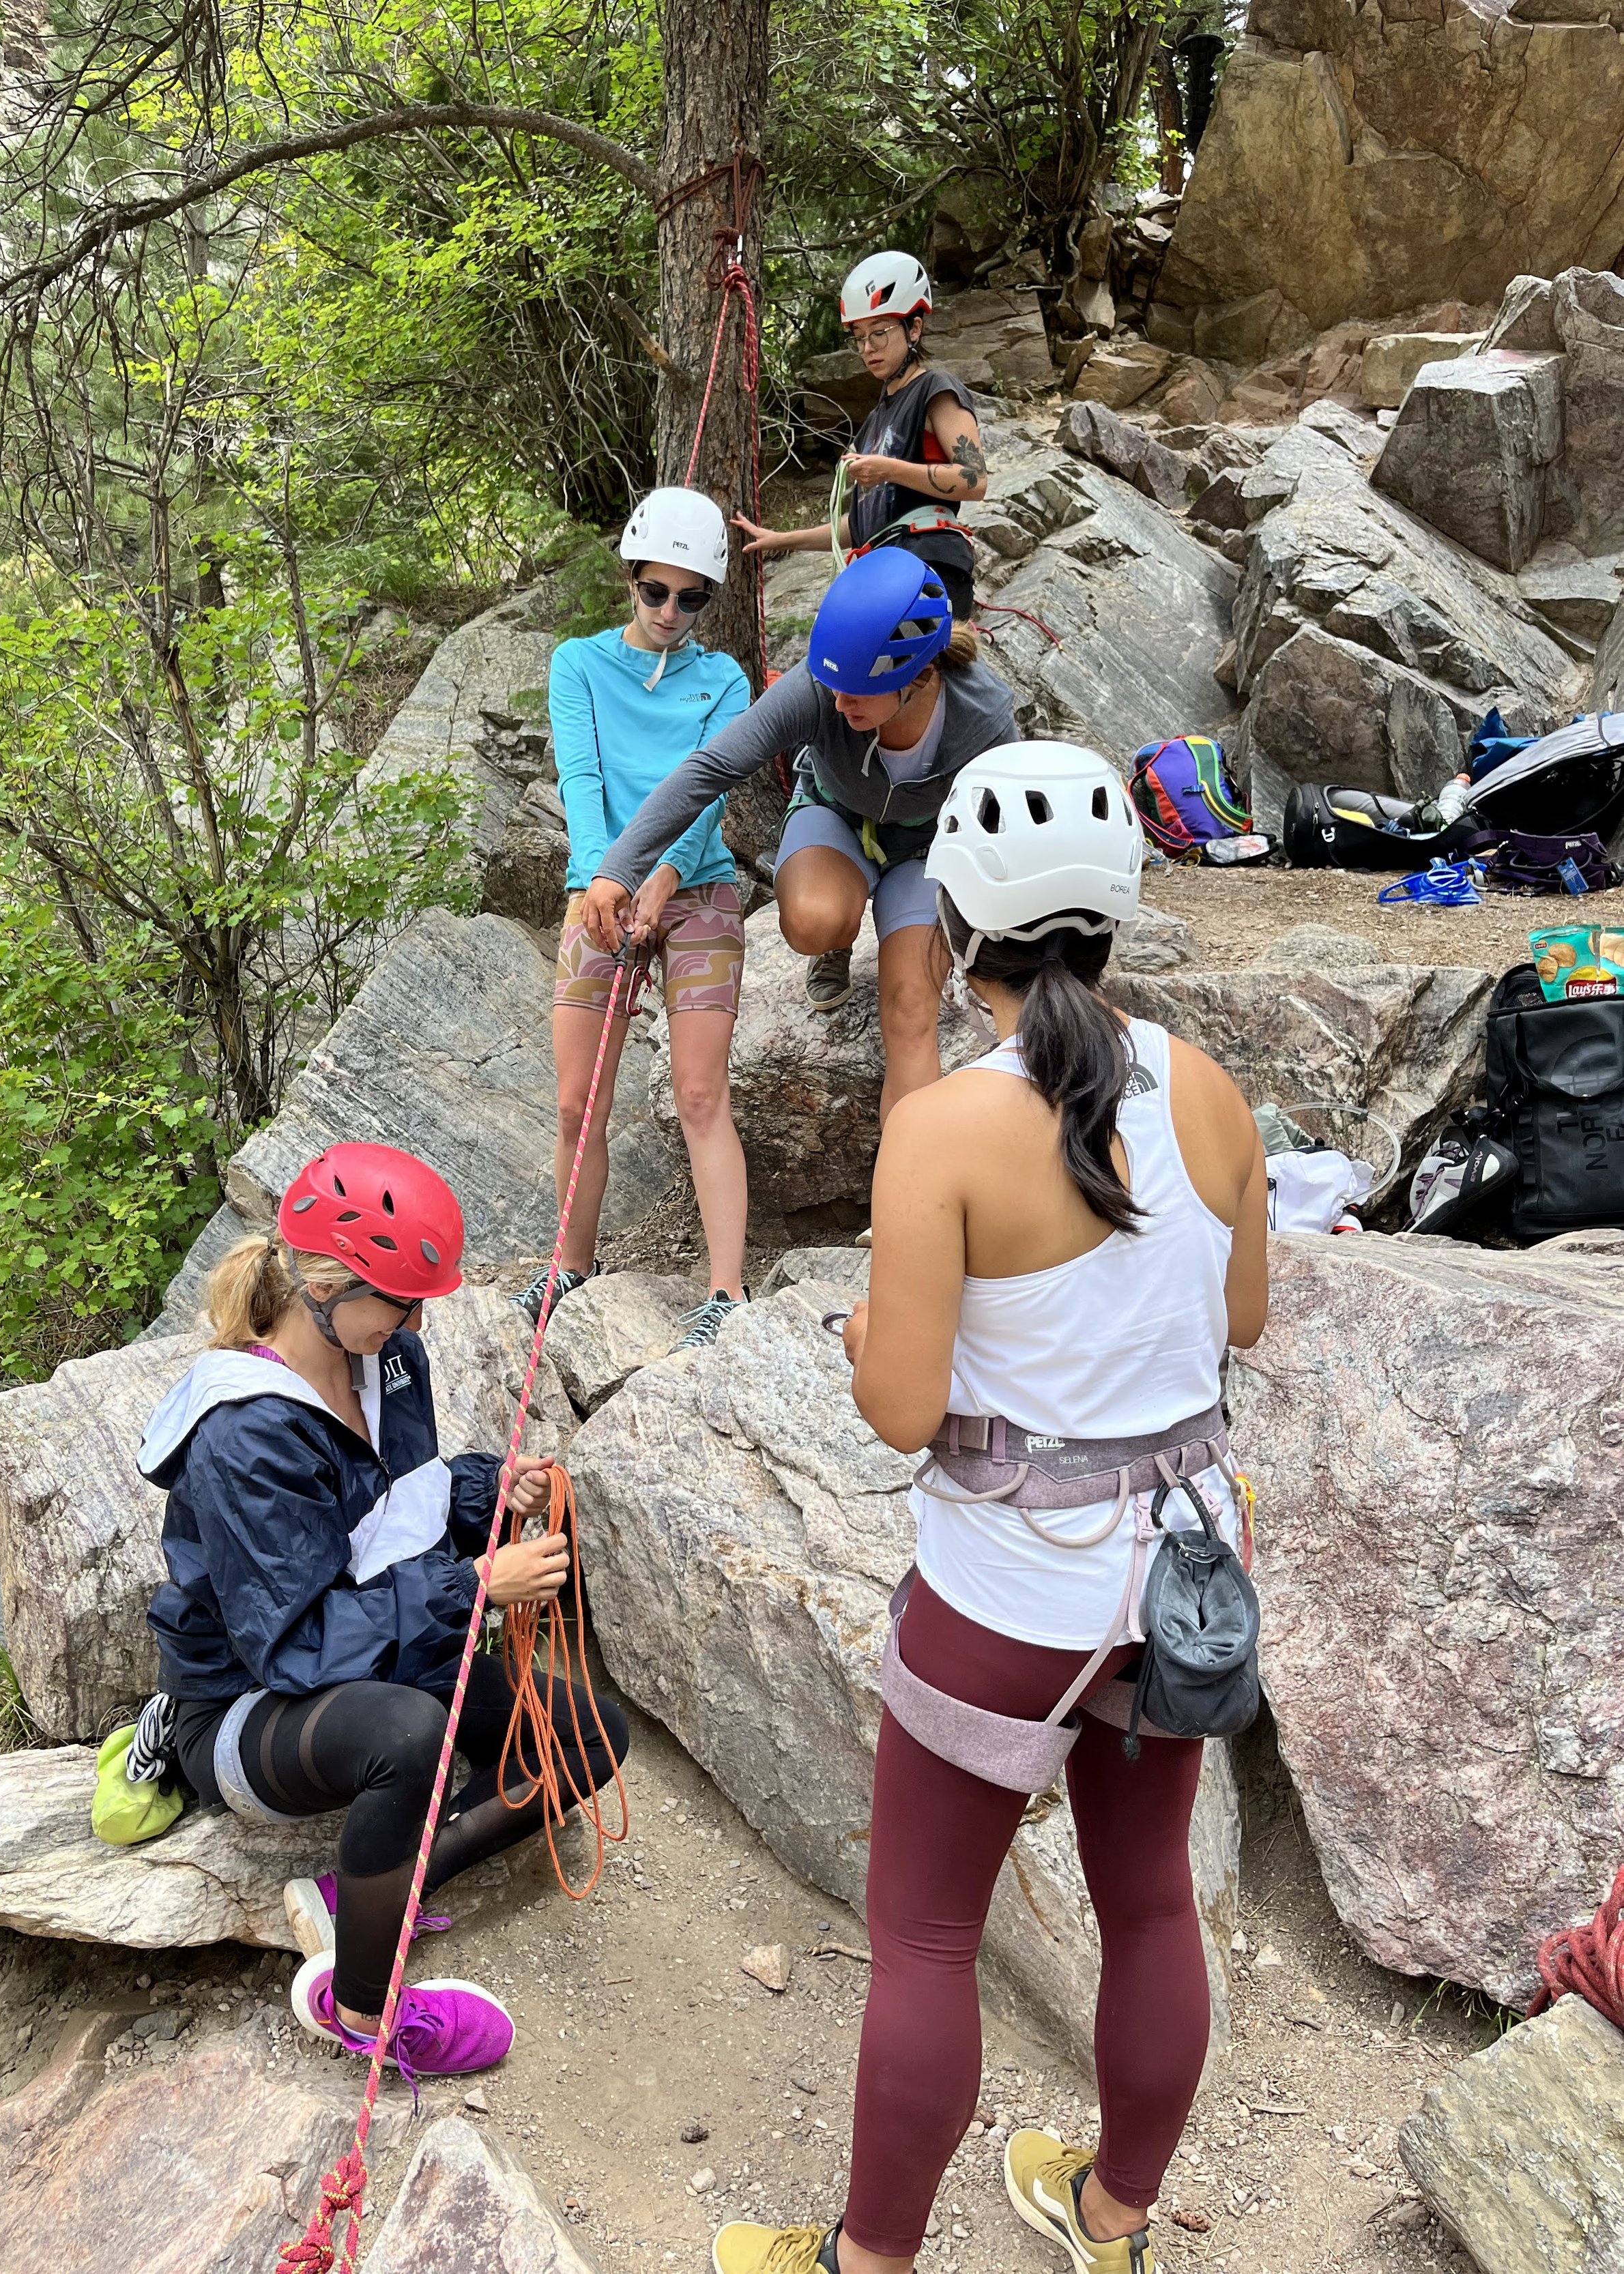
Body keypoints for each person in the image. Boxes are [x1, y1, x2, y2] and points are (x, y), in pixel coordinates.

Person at [712, 744, 1268, 2274]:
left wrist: (866, 1337)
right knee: (1148, 1905)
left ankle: (868, 2259)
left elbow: (901, 1407)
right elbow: (1240, 1317)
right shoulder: (1208, 1090)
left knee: (926, 1933)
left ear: (955, 922)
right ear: (1115, 909)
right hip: (1175, 1576)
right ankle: (1114, 2218)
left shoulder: (948, 1124)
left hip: (1014, 1588)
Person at [140, 1141, 630, 2080]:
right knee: (408, 1736)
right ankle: (360, 2009)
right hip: (247, 1703)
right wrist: (475, 1588)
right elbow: (294, 1647)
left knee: (589, 1735)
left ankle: (365, 1894)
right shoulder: (246, 1435)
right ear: (325, 1287)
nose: (416, 1320)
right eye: (400, 1300)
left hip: (375, 1648)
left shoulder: (388, 1357)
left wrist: (491, 1492)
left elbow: (400, 1509)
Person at [581, 547, 1018, 1114]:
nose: (837, 703)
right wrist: (619, 868)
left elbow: (1008, 836)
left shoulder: (983, 719)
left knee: (912, 1012)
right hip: (834, 813)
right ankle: (836, 942)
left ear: (920, 675)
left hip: (926, 849)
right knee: (815, 919)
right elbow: (711, 768)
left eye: (856, 691)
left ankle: (912, 1166)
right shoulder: (821, 684)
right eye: (832, 686)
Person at [517, 485, 754, 1351]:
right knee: (577, 1101)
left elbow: (710, 789)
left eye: (692, 599)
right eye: (655, 591)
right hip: (600, 887)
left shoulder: (723, 680)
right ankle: (569, 1269)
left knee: (699, 1093)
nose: (669, 612)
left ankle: (726, 1291)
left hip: (697, 887)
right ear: (631, 579)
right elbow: (581, 779)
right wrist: (603, 881)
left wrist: (660, 877)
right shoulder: (579, 664)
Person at [734, 250, 988, 623]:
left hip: (929, 565)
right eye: (859, 337)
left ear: (914, 329)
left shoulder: (936, 389)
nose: (868, 348)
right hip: (884, 568)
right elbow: (862, 524)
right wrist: (782, 540)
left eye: (880, 333)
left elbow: (975, 480)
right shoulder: (874, 421)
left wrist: (889, 470)